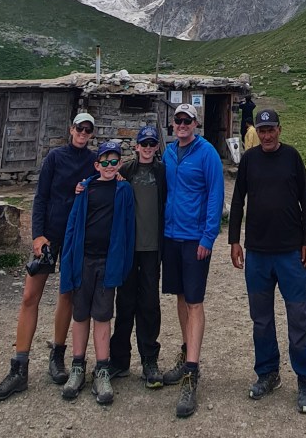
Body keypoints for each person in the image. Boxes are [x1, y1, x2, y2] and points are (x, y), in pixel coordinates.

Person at [0, 111, 98, 402]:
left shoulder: (93, 161)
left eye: (88, 130)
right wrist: (37, 235)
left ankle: (57, 356)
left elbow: (109, 177)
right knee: (30, 296)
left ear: (91, 134)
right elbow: (41, 197)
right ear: (71, 128)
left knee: (67, 295)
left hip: (75, 237)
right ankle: (19, 367)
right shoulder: (54, 158)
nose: (82, 133)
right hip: (49, 234)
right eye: (79, 128)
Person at [229, 108, 306, 415]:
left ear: (280, 130)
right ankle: (268, 373)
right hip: (257, 253)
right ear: (257, 132)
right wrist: (234, 240)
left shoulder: (292, 157)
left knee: (298, 318)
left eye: (271, 129)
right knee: (261, 319)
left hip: (291, 253)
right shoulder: (249, 160)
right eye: (262, 130)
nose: (267, 135)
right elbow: (238, 200)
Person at [160, 102, 225, 418]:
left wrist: (208, 237)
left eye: (187, 120)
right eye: (178, 120)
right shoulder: (169, 153)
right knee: (181, 297)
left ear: (195, 124)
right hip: (171, 236)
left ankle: (191, 373)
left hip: (194, 239)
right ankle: (186, 354)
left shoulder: (207, 153)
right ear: (173, 124)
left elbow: (215, 195)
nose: (182, 124)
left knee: (195, 302)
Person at [59, 140, 135, 405]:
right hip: (84, 261)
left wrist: (124, 262)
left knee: (102, 315)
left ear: (120, 164)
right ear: (97, 164)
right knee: (80, 314)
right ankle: (77, 366)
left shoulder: (124, 190)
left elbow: (129, 228)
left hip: (108, 262)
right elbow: (72, 227)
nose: (110, 166)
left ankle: (102, 369)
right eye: (105, 161)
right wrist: (68, 260)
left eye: (114, 161)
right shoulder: (85, 189)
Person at [109, 125, 167, 388]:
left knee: (150, 304)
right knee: (124, 303)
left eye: (152, 144)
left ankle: (149, 360)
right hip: (129, 248)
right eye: (144, 144)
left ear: (156, 147)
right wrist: (82, 186)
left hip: (153, 248)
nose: (147, 148)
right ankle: (119, 360)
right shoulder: (125, 171)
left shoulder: (162, 172)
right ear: (136, 146)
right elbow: (103, 182)